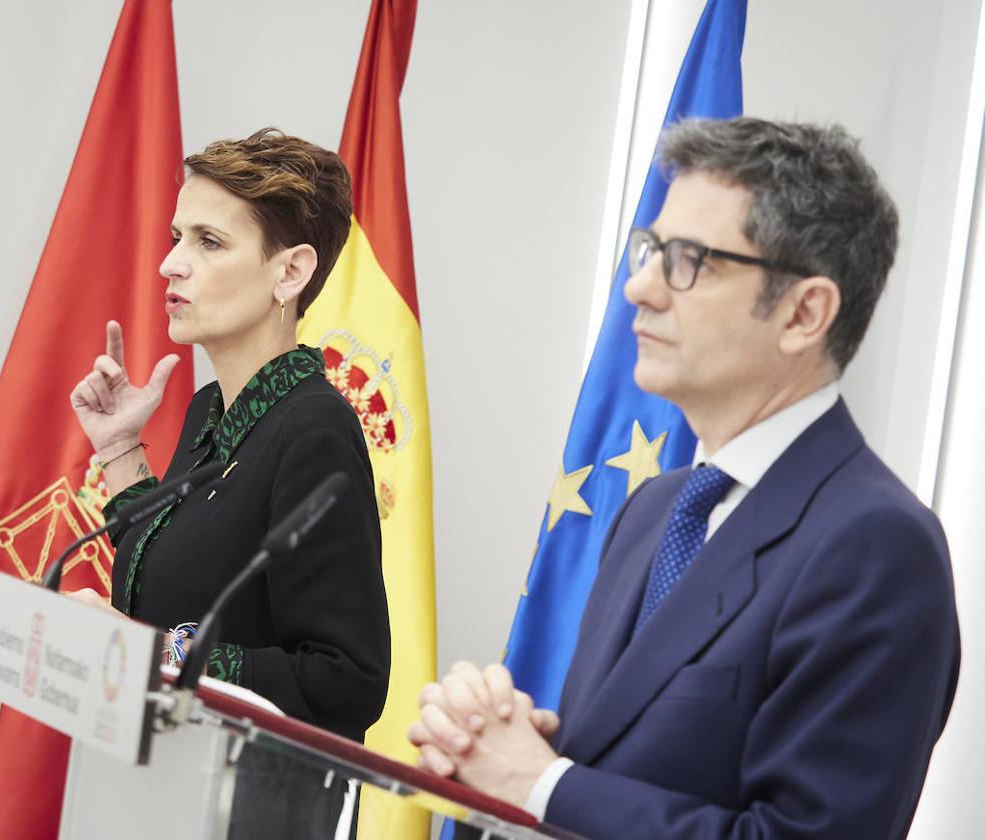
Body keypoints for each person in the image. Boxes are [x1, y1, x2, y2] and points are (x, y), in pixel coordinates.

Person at [409, 118, 960, 840]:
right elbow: (616, 766)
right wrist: (504, 749)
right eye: (649, 251)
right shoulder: (653, 509)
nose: (639, 287)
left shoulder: (877, 546)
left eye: (688, 260)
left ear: (804, 313)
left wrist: (540, 782)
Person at [66, 127, 389, 739]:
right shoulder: (212, 408)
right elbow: (169, 575)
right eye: (176, 237)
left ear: (290, 273)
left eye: (209, 241)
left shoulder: (313, 427)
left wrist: (150, 652)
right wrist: (118, 448)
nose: (170, 263)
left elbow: (345, 680)